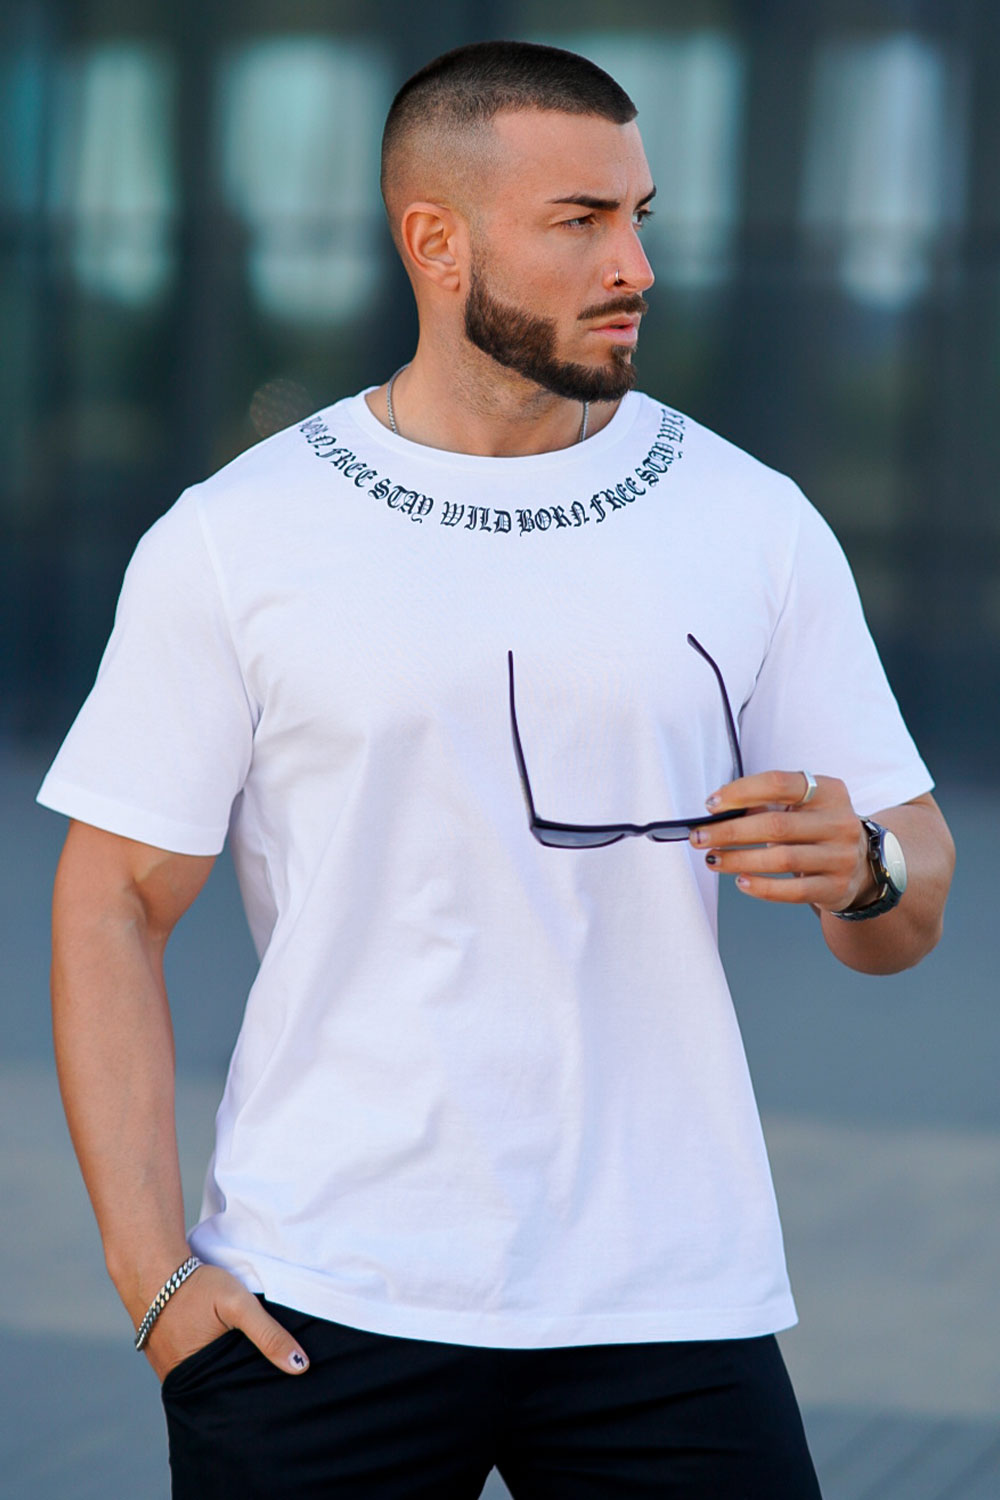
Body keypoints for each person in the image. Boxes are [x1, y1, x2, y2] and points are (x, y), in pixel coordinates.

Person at [40, 39, 955, 1500]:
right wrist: (154, 1284)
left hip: (670, 1303)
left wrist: (866, 870)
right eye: (579, 220)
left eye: (640, 215)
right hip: (317, 1298)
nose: (635, 265)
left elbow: (911, 899)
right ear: (437, 242)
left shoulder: (752, 522)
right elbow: (113, 899)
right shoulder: (236, 537)